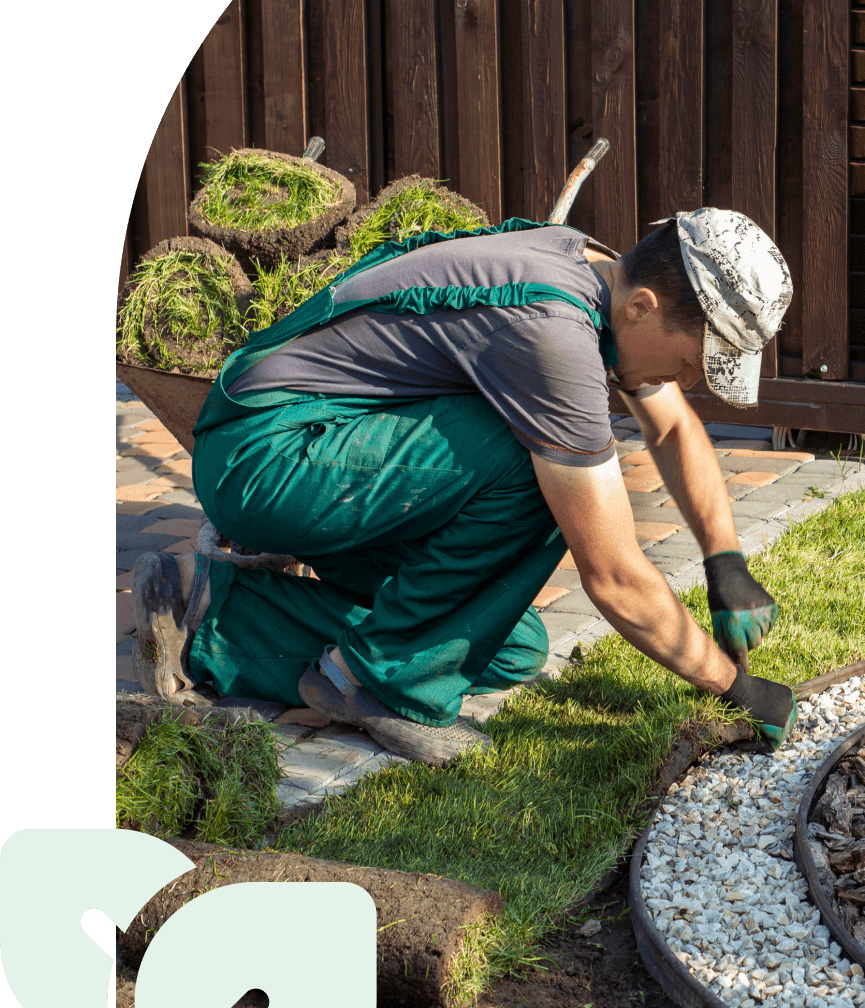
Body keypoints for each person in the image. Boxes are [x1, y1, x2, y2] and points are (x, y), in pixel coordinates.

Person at [131, 207, 799, 767]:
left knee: (507, 646)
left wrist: (725, 560)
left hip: (320, 451)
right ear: (646, 306)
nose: (685, 382)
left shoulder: (599, 275)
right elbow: (614, 572)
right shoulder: (553, 333)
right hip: (269, 457)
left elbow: (675, 431)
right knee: (540, 464)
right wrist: (732, 684)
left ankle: (208, 611)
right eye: (687, 363)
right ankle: (375, 684)